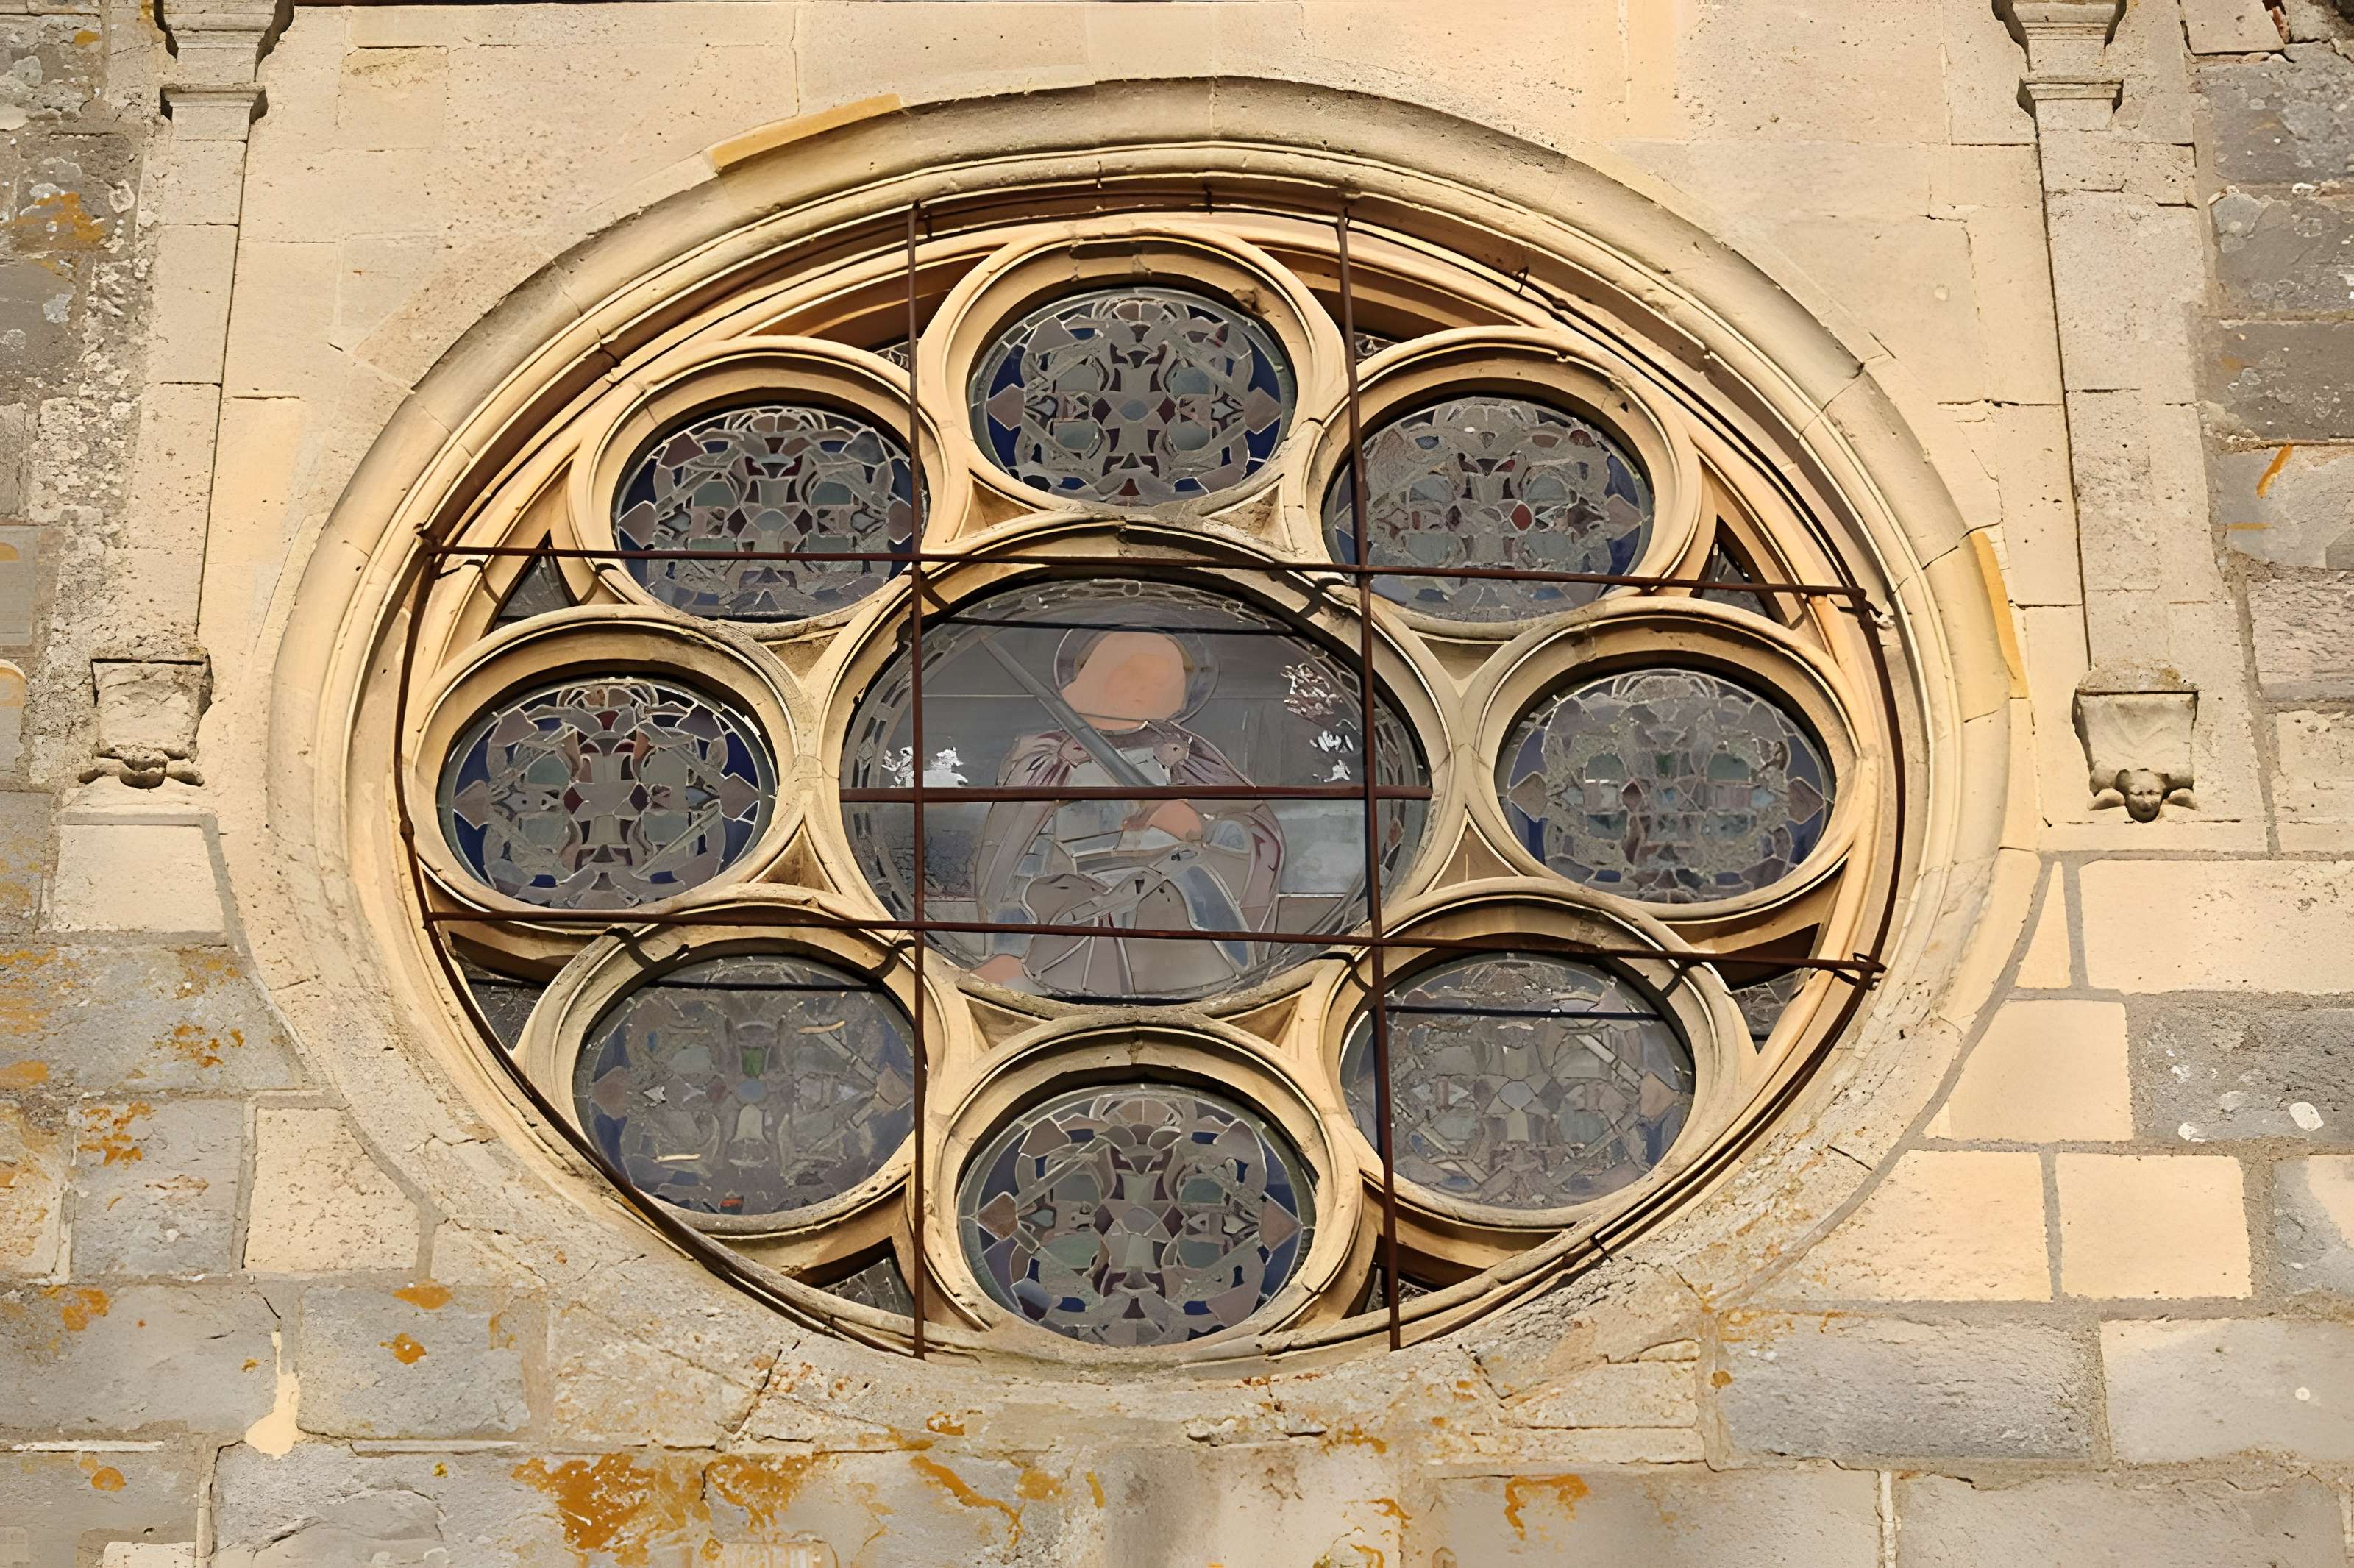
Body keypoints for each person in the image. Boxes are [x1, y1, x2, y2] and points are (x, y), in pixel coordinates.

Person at [969, 628, 1283, 997]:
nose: (1147, 689)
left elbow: (1259, 834)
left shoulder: (1186, 753)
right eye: (1132, 675)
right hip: (1067, 902)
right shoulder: (1047, 756)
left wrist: (1199, 826)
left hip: (1176, 904)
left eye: (1164, 680)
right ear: (1097, 675)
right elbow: (1017, 849)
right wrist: (1011, 949)